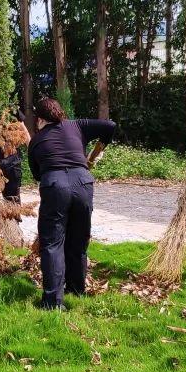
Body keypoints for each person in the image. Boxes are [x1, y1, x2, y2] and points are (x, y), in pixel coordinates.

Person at [27, 98, 115, 310]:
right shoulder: (76, 125)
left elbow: (37, 174)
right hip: (83, 183)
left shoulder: (36, 141)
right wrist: (99, 147)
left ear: (39, 120)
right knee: (78, 240)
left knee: (52, 244)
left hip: (55, 185)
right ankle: (76, 290)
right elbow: (110, 126)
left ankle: (53, 302)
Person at [0, 109, 30, 202]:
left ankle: (14, 216)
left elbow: (23, 129)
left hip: (12, 159)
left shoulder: (11, 109)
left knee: (12, 197)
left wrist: (31, 148)